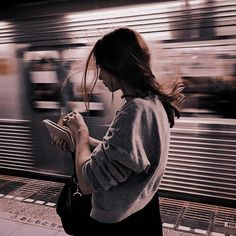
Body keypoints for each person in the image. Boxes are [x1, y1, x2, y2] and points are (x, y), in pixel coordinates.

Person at [54, 27, 185, 235]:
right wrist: (78, 143)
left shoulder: (135, 112)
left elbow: (87, 182)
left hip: (119, 223)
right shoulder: (152, 103)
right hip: (141, 210)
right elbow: (123, 154)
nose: (99, 77)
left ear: (117, 66)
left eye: (101, 68)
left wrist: (81, 132)